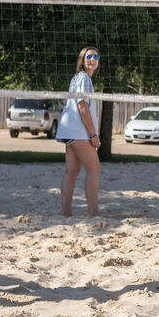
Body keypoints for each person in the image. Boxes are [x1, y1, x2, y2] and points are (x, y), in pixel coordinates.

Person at [56, 45, 102, 217]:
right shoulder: (83, 78)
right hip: (78, 131)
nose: (92, 60)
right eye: (89, 57)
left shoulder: (78, 78)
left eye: (96, 58)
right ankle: (94, 213)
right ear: (82, 60)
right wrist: (93, 134)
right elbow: (82, 106)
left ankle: (66, 213)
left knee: (71, 171)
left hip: (68, 130)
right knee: (94, 168)